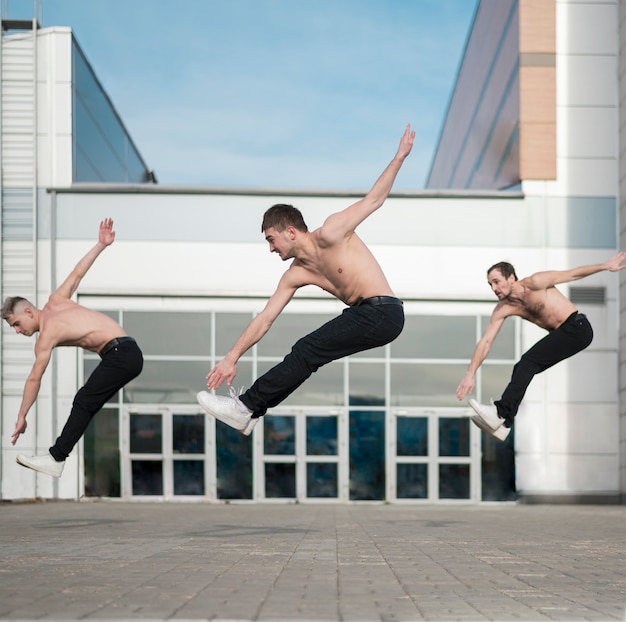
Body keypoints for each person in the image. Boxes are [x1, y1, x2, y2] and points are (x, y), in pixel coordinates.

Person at [197, 124, 415, 434]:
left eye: (272, 240)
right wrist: (231, 358)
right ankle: (250, 412)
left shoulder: (333, 231)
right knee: (307, 355)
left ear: (291, 231)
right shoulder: (296, 274)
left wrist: (399, 157)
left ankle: (245, 408)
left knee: (307, 350)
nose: (271, 249)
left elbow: (373, 201)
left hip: (384, 311)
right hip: (366, 314)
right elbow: (265, 320)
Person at [2, 218, 143, 477]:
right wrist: (100, 245)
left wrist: (22, 415)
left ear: (29, 311)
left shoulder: (47, 335)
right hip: (125, 352)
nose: (18, 331)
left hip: (120, 354)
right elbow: (78, 273)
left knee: (83, 400)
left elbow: (35, 378)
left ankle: (57, 457)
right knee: (87, 401)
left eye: (17, 323)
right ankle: (58, 456)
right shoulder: (57, 300)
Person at [456, 252, 626, 441]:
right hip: (564, 335)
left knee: (528, 361)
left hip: (577, 327)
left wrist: (605, 265)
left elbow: (573, 273)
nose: (494, 288)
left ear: (511, 277)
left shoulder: (536, 282)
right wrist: (470, 374)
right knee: (522, 367)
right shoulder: (504, 308)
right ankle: (504, 424)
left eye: (496, 282)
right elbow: (486, 341)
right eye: (490, 285)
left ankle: (500, 413)